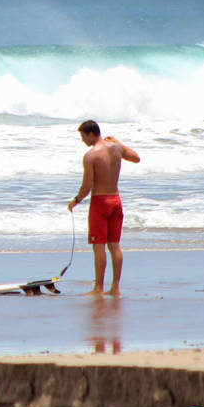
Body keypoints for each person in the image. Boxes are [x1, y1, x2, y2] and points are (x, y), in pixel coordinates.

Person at [67, 120, 140, 297]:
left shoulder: (91, 156)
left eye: (83, 136)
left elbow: (87, 186)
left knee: (98, 246)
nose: (82, 140)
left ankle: (98, 288)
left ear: (91, 134)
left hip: (100, 203)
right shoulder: (116, 148)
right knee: (114, 245)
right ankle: (115, 287)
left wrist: (75, 200)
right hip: (116, 201)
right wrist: (118, 142)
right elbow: (136, 158)